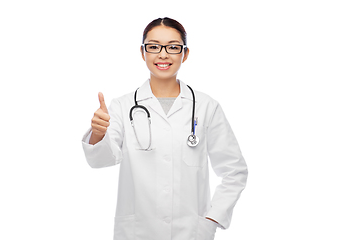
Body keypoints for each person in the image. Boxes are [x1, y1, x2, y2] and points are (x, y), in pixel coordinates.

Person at [81, 17, 248, 240]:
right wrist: (99, 134)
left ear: (185, 54)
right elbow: (101, 160)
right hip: (137, 232)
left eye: (173, 47)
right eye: (154, 46)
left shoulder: (207, 107)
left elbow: (234, 171)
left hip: (191, 232)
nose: (163, 54)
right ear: (143, 53)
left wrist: (213, 218)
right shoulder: (123, 106)